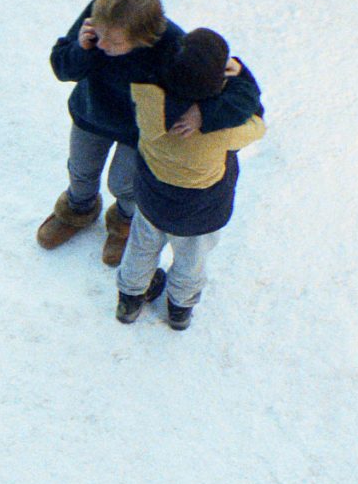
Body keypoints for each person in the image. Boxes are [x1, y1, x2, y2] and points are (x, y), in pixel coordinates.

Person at [41, 0, 263, 266]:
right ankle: (76, 210)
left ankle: (124, 223)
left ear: (143, 38)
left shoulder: (174, 47)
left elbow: (241, 98)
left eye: (115, 42)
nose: (103, 45)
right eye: (100, 36)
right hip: (91, 112)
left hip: (139, 132)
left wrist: (203, 114)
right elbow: (63, 68)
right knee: (81, 170)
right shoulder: (101, 18)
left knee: (125, 184)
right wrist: (81, 49)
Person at [114, 28, 266, 330]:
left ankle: (129, 298)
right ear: (218, 83)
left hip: (152, 199)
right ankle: (180, 308)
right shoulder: (223, 130)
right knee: (191, 259)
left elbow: (149, 67)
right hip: (200, 212)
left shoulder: (147, 100)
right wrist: (238, 80)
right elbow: (256, 119)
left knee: (142, 245)